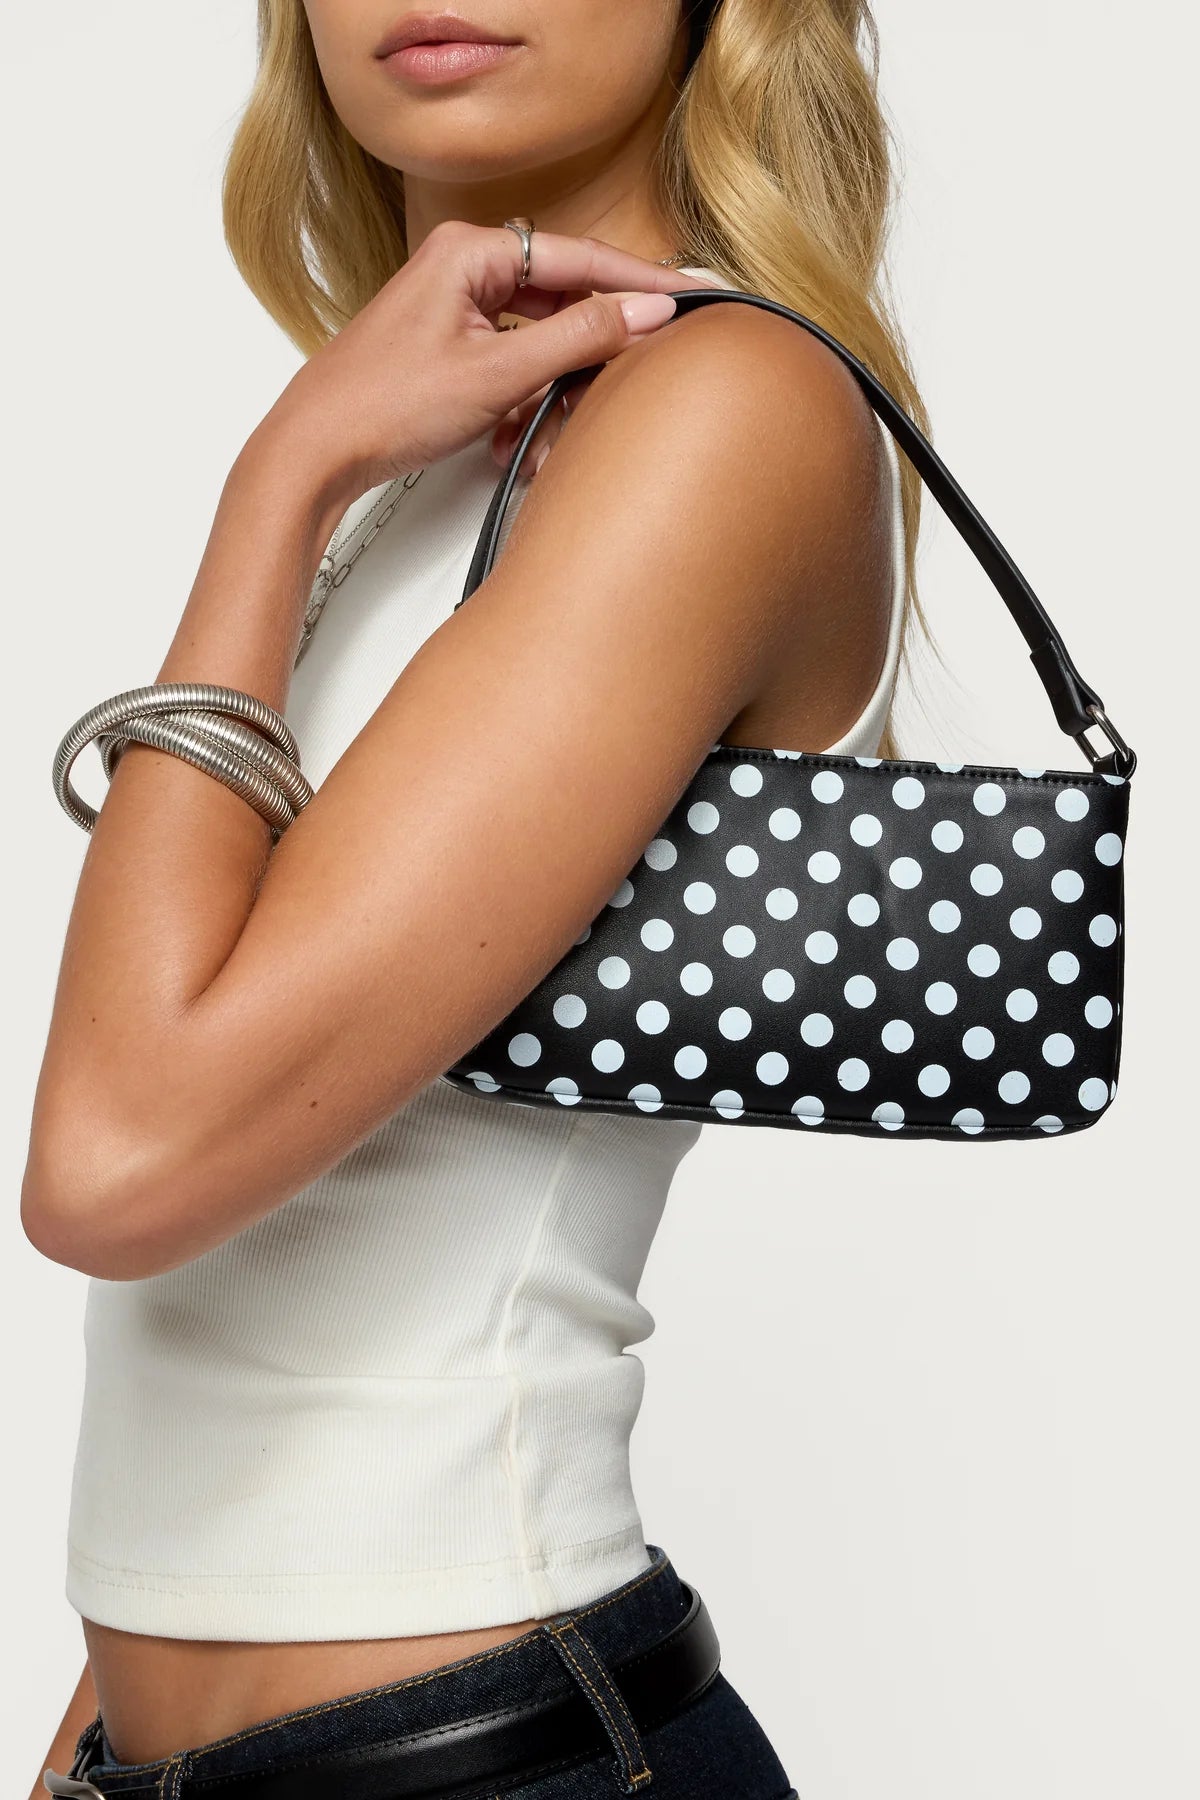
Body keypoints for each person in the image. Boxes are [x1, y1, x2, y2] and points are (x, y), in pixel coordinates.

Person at [25, 1, 928, 1794]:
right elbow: (261, 1293)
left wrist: (277, 479)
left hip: (491, 1748)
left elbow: (121, 1167)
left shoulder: (720, 408)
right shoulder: (452, 441)